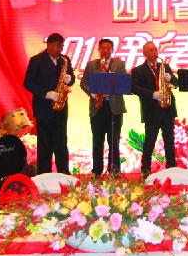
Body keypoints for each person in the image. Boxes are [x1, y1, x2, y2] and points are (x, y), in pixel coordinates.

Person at [24, 33, 75, 175]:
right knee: (45, 146)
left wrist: (70, 78)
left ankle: (64, 174)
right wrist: (46, 93)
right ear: (50, 45)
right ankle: (44, 176)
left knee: (61, 143)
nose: (61, 50)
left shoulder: (65, 60)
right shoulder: (37, 60)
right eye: (59, 46)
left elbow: (72, 78)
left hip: (60, 109)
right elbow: (28, 82)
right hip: (43, 109)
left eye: (61, 46)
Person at [131, 42, 178, 178]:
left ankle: (171, 167)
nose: (154, 52)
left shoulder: (165, 66)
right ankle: (146, 169)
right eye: (151, 50)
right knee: (150, 140)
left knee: (169, 139)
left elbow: (176, 83)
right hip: (151, 110)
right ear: (145, 53)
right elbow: (134, 88)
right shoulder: (138, 70)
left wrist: (171, 78)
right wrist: (152, 94)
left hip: (167, 109)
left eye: (155, 50)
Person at [81, 39, 127, 177]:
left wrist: (111, 77)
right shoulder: (91, 65)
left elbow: (124, 81)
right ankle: (96, 171)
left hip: (114, 107)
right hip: (97, 106)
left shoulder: (119, 64)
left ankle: (114, 170)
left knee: (114, 140)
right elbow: (84, 83)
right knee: (97, 140)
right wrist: (92, 93)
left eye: (108, 48)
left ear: (112, 49)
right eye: (103, 48)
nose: (105, 51)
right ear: (99, 50)